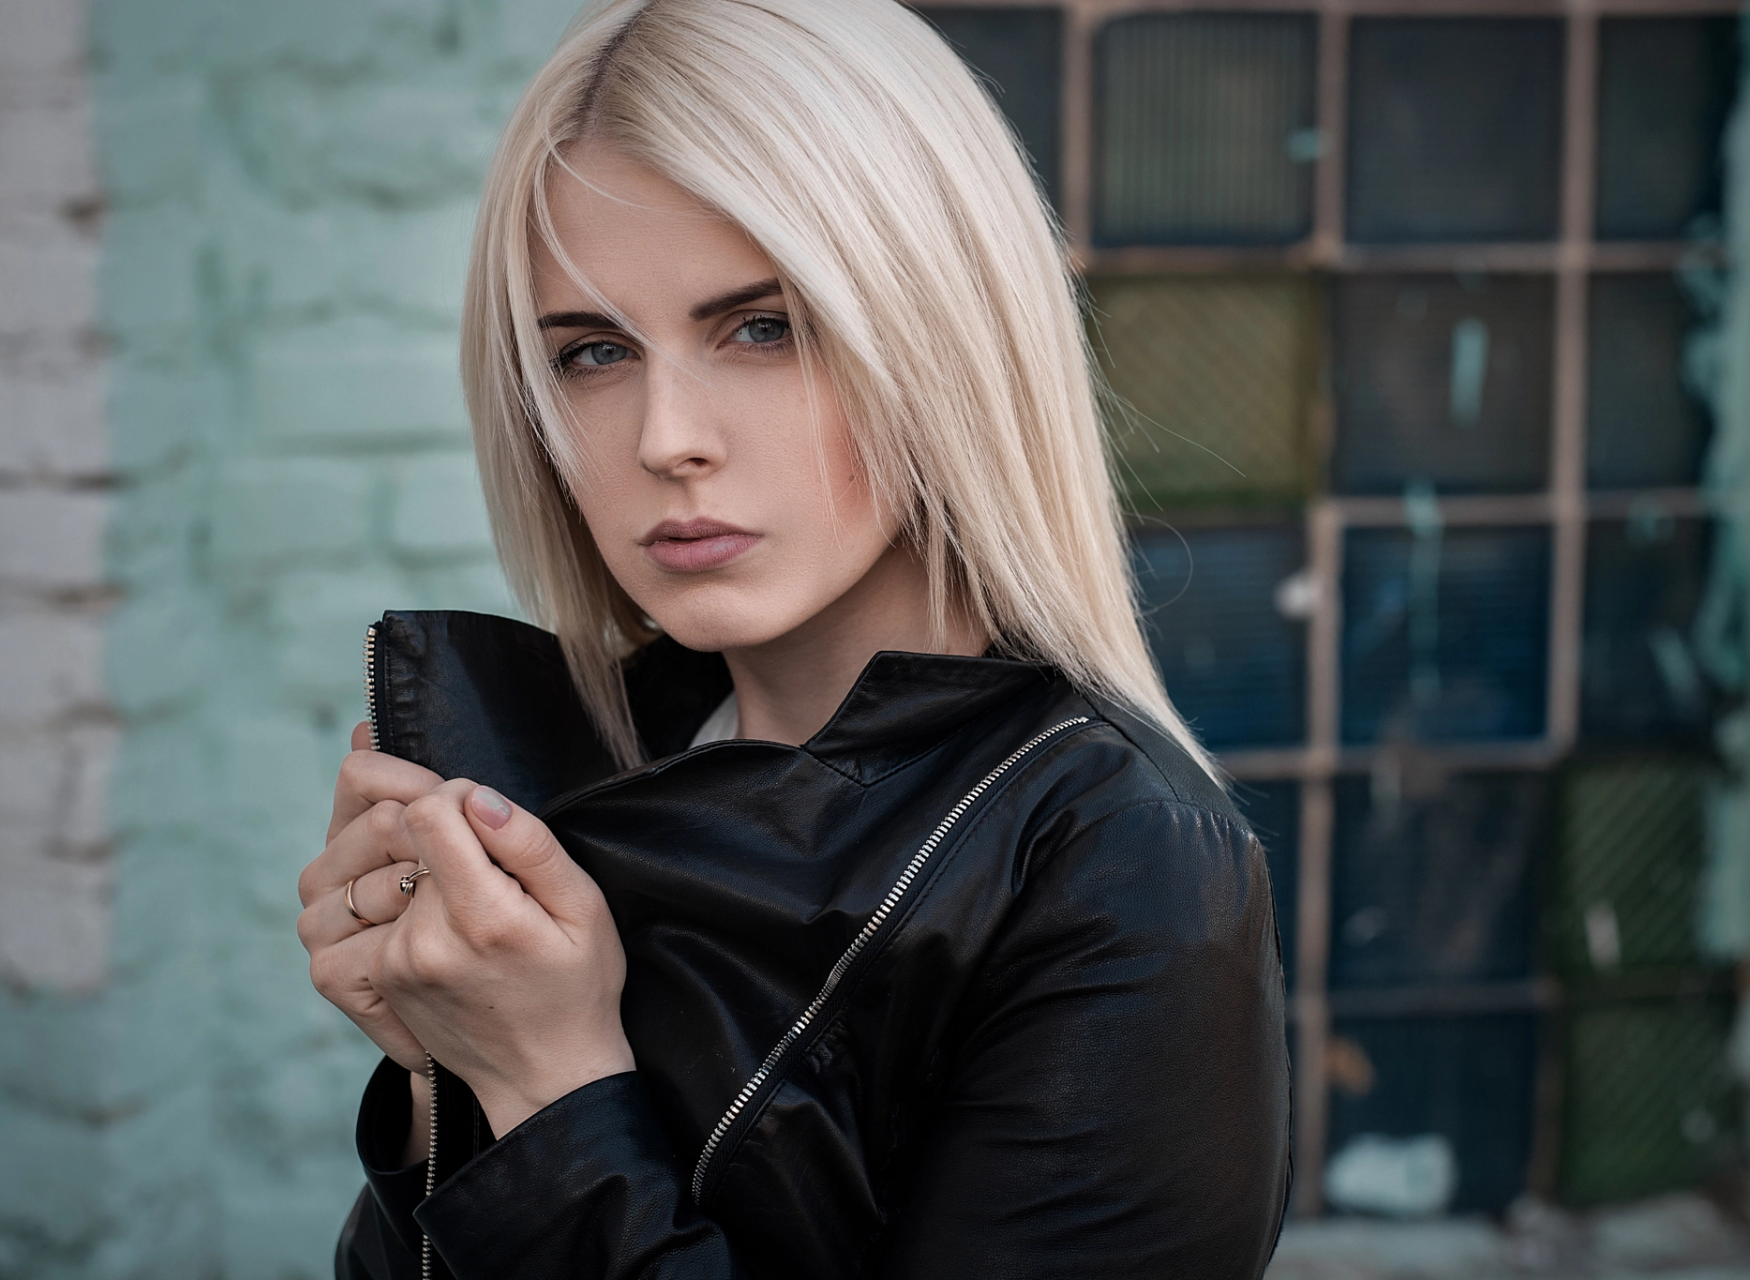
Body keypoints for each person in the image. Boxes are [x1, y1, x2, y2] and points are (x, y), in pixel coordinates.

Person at [294, 1, 1289, 1275]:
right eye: (595, 351)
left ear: (943, 331)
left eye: (763, 326)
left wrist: (549, 1085)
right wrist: (445, 1062)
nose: (667, 436)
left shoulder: (1118, 861)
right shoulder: (566, 770)